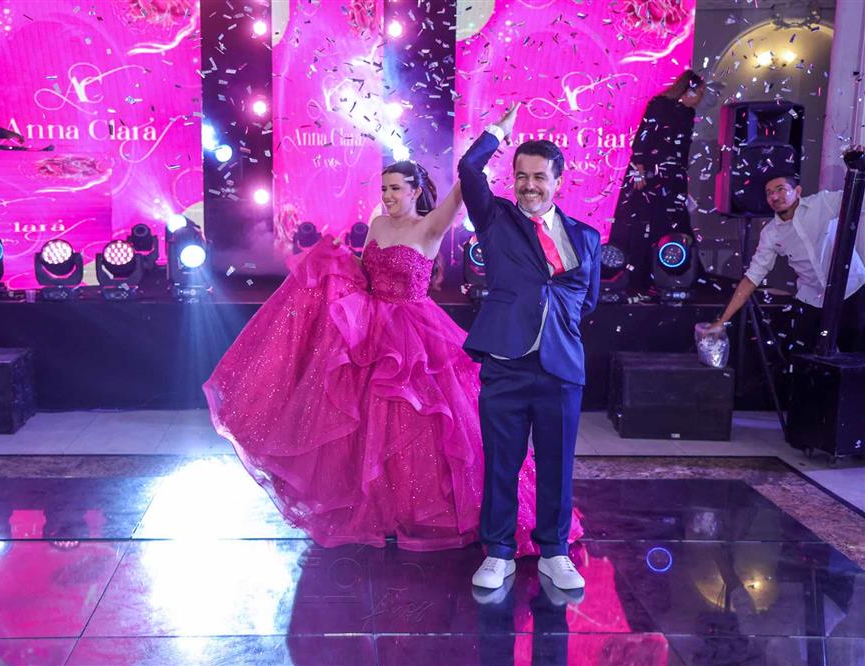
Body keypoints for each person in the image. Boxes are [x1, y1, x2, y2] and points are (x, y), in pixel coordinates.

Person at [203, 160, 583, 554]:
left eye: (396, 188)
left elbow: (466, 180)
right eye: (384, 189)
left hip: (415, 334)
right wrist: (336, 265)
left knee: (421, 425)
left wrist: (493, 135)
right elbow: (367, 275)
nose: (387, 196)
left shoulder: (432, 225)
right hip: (370, 330)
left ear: (415, 191)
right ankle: (379, 511)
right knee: (365, 424)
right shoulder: (379, 225)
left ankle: (429, 513)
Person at [460, 103, 600, 592]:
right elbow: (469, 169)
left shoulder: (585, 237)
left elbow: (588, 300)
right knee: (501, 462)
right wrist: (497, 131)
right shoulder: (495, 218)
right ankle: (498, 551)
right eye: (521, 176)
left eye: (539, 177)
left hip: (561, 368)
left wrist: (555, 327)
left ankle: (554, 552)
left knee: (557, 466)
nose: (529, 186)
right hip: (506, 363)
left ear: (558, 180)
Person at [710, 165, 865, 352]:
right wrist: (721, 321)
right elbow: (752, 278)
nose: (775, 197)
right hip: (812, 299)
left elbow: (858, 197)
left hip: (853, 290)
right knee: (803, 356)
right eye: (769, 193)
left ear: (797, 191)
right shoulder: (771, 233)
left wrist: (858, 168)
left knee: (855, 356)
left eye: (781, 189)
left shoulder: (822, 203)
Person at [608, 69, 705, 293]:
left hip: (673, 179)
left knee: (672, 224)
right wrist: (639, 170)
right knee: (642, 223)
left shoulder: (688, 114)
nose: (701, 98)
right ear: (689, 90)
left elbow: (681, 151)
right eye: (700, 92)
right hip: (649, 176)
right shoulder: (660, 105)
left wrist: (682, 182)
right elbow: (643, 136)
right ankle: (637, 277)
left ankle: (671, 276)